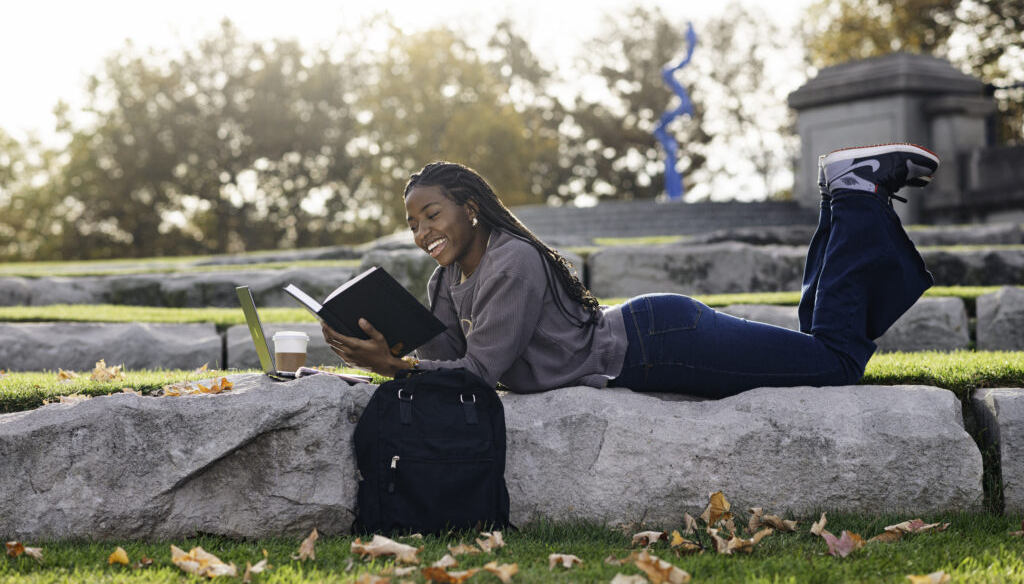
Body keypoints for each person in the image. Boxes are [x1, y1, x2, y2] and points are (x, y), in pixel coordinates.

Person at [322, 143, 940, 399]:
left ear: (471, 208)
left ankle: (854, 194)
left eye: (431, 215)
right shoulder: (444, 281)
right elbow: (452, 354)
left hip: (658, 343)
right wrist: (382, 339)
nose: (423, 232)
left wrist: (393, 366)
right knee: (817, 350)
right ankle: (845, 196)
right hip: (650, 337)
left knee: (834, 362)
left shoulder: (512, 261)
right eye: (412, 225)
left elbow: (481, 373)